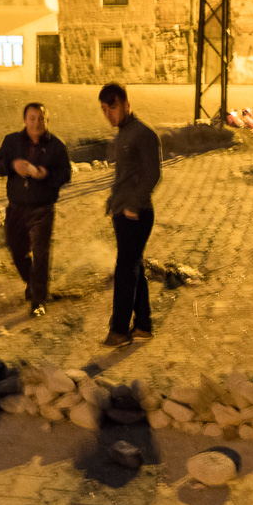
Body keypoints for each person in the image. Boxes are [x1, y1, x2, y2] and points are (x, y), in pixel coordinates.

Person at [98, 83, 162, 348]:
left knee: (124, 271)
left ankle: (119, 330)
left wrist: (132, 205)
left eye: (112, 107)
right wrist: (113, 201)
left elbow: (152, 174)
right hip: (123, 212)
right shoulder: (124, 134)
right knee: (133, 268)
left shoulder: (143, 134)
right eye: (104, 109)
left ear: (126, 104)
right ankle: (144, 326)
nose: (108, 114)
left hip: (137, 214)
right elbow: (124, 176)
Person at [0, 103, 71, 317]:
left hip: (42, 208)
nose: (37, 123)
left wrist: (46, 175)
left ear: (47, 120)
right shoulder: (12, 142)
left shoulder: (56, 146)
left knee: (41, 254)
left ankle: (38, 300)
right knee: (16, 249)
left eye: (41, 118)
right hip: (16, 207)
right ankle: (32, 281)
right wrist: (12, 165)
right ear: (25, 120)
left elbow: (66, 174)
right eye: (32, 118)